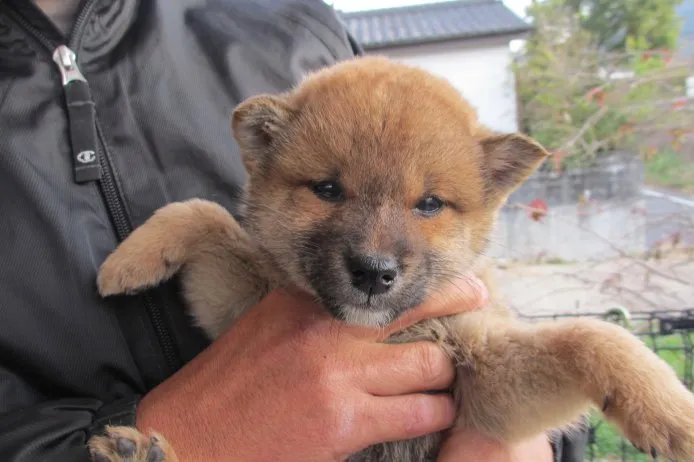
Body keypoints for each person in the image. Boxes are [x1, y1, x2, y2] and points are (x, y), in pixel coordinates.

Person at [0, 1, 588, 460]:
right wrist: (192, 435)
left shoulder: (294, 22)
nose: (375, 250)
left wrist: (519, 442)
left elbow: (465, 265)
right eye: (328, 192)